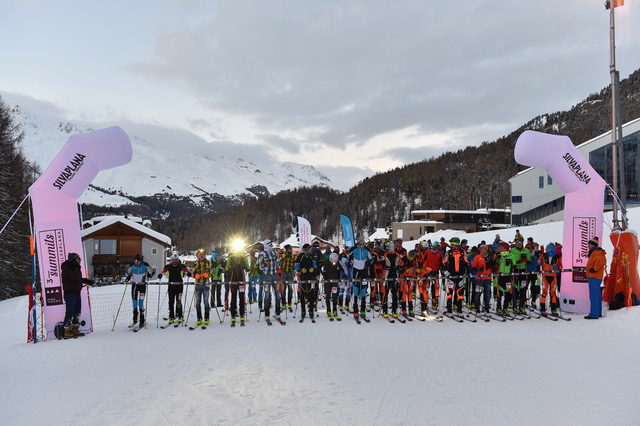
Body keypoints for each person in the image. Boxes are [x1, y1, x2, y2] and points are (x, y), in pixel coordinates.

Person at [61, 253, 93, 338]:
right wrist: (76, 267)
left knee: (77, 312)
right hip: (69, 293)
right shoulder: (66, 267)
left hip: (77, 292)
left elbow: (78, 278)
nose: (80, 260)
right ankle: (67, 330)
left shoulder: (75, 268)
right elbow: (74, 276)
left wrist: (86, 280)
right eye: (78, 259)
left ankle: (75, 328)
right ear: (73, 260)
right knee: (70, 312)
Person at [158, 253, 191, 324]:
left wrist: (188, 273)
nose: (175, 261)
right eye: (173, 260)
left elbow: (186, 271)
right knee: (171, 302)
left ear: (178, 259)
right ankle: (171, 316)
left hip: (179, 286)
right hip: (171, 286)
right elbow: (163, 272)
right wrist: (160, 275)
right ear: (171, 260)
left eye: (176, 259)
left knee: (178, 301)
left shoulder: (181, 266)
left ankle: (180, 316)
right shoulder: (168, 266)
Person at [125, 253, 155, 328]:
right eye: (135, 262)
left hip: (142, 285)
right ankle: (135, 319)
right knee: (134, 303)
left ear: (141, 261)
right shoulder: (132, 265)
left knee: (140, 303)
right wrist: (127, 277)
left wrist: (150, 275)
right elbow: (126, 273)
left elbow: (153, 271)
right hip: (135, 286)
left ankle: (142, 320)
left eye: (138, 262)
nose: (137, 263)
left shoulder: (145, 265)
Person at [443, 237, 469, 315]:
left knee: (459, 293)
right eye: (451, 244)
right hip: (451, 275)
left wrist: (466, 272)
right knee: (450, 293)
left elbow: (467, 263)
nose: (452, 246)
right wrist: (445, 271)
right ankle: (449, 310)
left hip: (460, 275)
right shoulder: (448, 252)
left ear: (457, 244)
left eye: (453, 244)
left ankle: (459, 309)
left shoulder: (462, 252)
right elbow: (443, 262)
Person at [258, 239, 281, 321]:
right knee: (267, 295)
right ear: (266, 245)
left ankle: (277, 313)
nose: (271, 246)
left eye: (271, 244)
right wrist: (265, 263)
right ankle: (267, 314)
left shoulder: (274, 252)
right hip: (266, 276)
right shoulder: (261, 254)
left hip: (275, 275)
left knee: (277, 294)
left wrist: (279, 263)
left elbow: (278, 262)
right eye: (270, 244)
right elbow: (260, 267)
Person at [226, 247, 249, 325]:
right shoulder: (231, 257)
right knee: (233, 297)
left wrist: (247, 268)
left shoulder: (243, 257)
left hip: (241, 278)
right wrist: (227, 269)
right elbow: (227, 266)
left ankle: (242, 313)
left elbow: (247, 265)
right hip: (233, 279)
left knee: (242, 297)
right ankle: (233, 314)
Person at [349, 239, 372, 319]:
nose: (361, 245)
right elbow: (349, 257)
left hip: (363, 271)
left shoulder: (366, 251)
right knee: (355, 290)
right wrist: (350, 262)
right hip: (355, 271)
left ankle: (362, 310)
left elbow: (371, 260)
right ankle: (355, 311)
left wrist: (369, 263)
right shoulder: (354, 250)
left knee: (363, 290)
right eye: (360, 244)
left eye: (362, 244)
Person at [296, 243, 318, 322]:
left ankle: (311, 310)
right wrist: (300, 270)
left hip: (311, 277)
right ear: (306, 250)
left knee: (311, 294)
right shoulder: (300, 256)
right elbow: (296, 266)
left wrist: (313, 269)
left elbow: (315, 265)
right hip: (302, 278)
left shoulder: (311, 256)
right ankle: (303, 311)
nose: (311, 250)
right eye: (309, 249)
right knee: (302, 295)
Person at [585, 237, 606, 319]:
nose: (588, 246)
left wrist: (594, 269)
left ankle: (594, 314)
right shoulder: (597, 252)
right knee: (597, 296)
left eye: (589, 244)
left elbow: (600, 261)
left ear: (593, 245)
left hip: (594, 276)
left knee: (594, 296)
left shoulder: (596, 253)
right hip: (596, 277)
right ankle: (598, 313)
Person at [191, 249, 212, 327]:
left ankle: (206, 318)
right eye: (200, 255)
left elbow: (212, 273)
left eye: (203, 254)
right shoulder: (195, 264)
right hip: (198, 285)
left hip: (205, 284)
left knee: (206, 301)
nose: (202, 256)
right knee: (198, 303)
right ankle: (199, 318)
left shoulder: (208, 263)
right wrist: (195, 276)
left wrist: (208, 275)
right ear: (198, 256)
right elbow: (192, 274)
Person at [510, 237, 531, 314]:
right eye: (515, 242)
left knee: (523, 289)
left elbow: (529, 260)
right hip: (515, 271)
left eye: (517, 242)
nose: (516, 243)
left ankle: (521, 307)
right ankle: (514, 307)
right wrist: (517, 262)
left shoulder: (526, 250)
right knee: (515, 289)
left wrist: (525, 260)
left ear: (521, 242)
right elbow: (511, 261)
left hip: (523, 271)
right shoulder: (513, 250)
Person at [471, 245, 493, 314]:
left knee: (487, 293)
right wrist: (478, 269)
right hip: (479, 278)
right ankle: (477, 306)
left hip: (488, 278)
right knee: (478, 293)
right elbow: (473, 267)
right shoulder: (477, 257)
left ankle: (486, 306)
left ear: (487, 250)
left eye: (484, 250)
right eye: (481, 250)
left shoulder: (489, 257)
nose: (483, 251)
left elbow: (492, 266)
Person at [321, 252, 342, 320]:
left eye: (335, 262)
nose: (333, 263)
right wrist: (322, 273)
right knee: (328, 295)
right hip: (327, 281)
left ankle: (335, 310)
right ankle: (328, 310)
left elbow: (342, 269)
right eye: (332, 261)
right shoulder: (326, 262)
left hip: (334, 281)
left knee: (334, 296)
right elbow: (319, 267)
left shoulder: (337, 262)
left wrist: (341, 276)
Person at [279, 244, 296, 312]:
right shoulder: (282, 256)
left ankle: (289, 304)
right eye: (289, 249)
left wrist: (294, 269)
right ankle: (283, 304)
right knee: (283, 289)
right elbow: (279, 264)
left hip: (290, 273)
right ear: (286, 250)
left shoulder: (293, 256)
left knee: (290, 288)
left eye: (291, 249)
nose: (291, 250)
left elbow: (294, 264)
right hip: (284, 273)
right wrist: (282, 263)